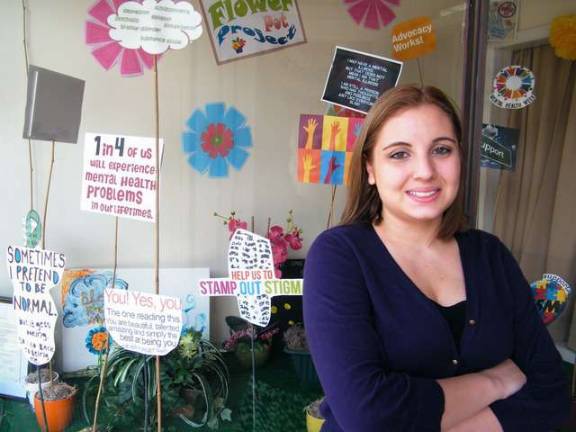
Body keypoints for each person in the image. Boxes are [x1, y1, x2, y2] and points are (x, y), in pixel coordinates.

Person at [303, 85, 570, 431]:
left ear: (460, 157)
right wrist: (495, 382)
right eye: (400, 154)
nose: (426, 171)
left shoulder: (491, 256)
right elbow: (369, 415)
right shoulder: (339, 256)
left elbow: (551, 392)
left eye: (441, 150)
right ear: (370, 168)